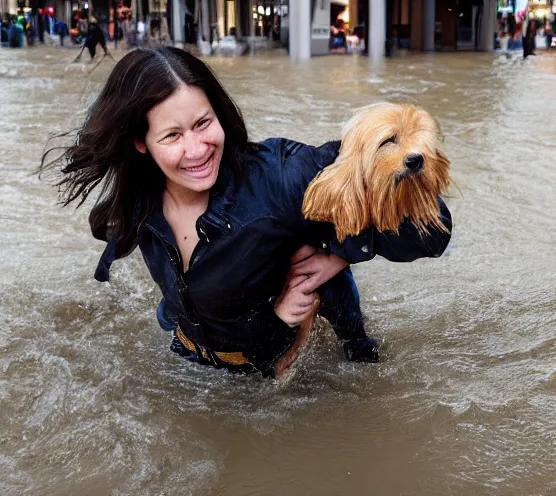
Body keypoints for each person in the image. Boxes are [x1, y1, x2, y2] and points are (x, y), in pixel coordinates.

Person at [48, 48, 452, 378]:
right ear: (141, 143)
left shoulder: (280, 176)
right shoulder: (138, 194)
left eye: (203, 124)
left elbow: (431, 232)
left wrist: (337, 254)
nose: (196, 149)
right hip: (187, 364)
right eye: (172, 135)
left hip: (277, 380)